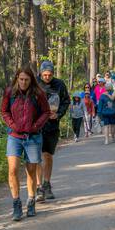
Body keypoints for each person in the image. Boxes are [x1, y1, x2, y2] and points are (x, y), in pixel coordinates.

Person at [0, 67, 49, 221]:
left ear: (31, 80)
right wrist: (12, 125)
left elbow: (46, 112)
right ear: (17, 78)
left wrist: (35, 126)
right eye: (21, 79)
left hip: (33, 137)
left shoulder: (38, 93)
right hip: (14, 136)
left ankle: (31, 200)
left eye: (26, 79)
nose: (23, 82)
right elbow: (4, 111)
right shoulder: (10, 92)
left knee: (31, 171)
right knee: (12, 170)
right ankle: (16, 204)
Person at [37, 60, 70, 201]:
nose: (47, 77)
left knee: (48, 156)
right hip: (36, 126)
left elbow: (66, 101)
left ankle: (47, 184)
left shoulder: (59, 85)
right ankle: (38, 187)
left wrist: (58, 114)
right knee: (36, 157)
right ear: (40, 73)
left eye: (50, 75)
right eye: (45, 75)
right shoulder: (34, 84)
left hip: (52, 125)